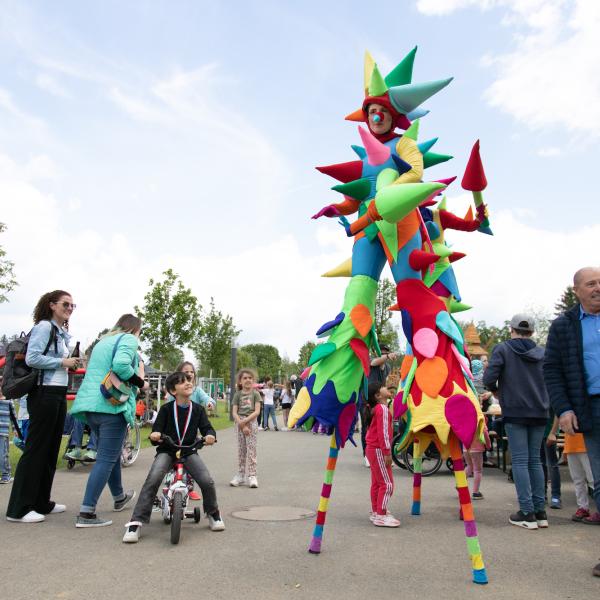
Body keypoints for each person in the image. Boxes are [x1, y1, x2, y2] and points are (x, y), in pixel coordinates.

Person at [543, 266, 600, 577]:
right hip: (590, 408)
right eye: (591, 283)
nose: (598, 288)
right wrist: (563, 408)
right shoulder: (564, 326)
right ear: (577, 290)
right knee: (599, 481)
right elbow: (552, 370)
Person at [122, 371, 224, 543]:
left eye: (189, 380)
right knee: (153, 479)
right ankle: (136, 522)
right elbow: (158, 428)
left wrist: (210, 435)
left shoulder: (198, 410)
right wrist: (155, 434)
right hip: (167, 451)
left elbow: (207, 428)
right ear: (173, 390)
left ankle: (213, 513)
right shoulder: (166, 409)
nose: (188, 383)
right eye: (182, 382)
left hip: (189, 451)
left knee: (207, 480)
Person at [6, 290, 79, 523]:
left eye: (72, 305)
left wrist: (68, 363)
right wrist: (62, 361)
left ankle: (41, 501)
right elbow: (32, 358)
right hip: (43, 392)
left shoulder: (60, 332)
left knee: (51, 448)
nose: (69, 308)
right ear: (51, 305)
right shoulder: (44, 327)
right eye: (65, 304)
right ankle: (18, 508)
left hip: (57, 392)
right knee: (36, 448)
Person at [70, 314, 146, 527]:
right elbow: (121, 365)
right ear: (135, 329)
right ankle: (86, 513)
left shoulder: (103, 342)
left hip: (91, 406)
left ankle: (119, 496)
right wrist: (140, 382)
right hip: (111, 406)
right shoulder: (129, 339)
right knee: (105, 459)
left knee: (108, 454)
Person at [483, 313, 550, 530]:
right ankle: (540, 512)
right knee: (535, 461)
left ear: (511, 330)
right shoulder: (543, 352)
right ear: (531, 332)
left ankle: (527, 512)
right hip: (540, 411)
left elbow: (488, 379)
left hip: (515, 410)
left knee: (520, 461)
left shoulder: (503, 349)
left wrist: (498, 392)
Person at [365, 382, 399, 527]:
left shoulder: (378, 408)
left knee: (377, 483)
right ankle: (381, 514)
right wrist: (387, 452)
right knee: (387, 484)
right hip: (378, 449)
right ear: (378, 395)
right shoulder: (383, 409)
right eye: (383, 387)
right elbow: (383, 432)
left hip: (372, 449)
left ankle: (376, 511)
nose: (387, 388)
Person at [230, 369, 261, 488]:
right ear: (240, 381)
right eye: (245, 378)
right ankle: (240, 475)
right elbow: (234, 412)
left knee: (251, 450)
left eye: (250, 378)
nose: (248, 380)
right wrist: (242, 425)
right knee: (241, 450)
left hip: (251, 421)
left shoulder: (256, 394)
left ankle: (252, 475)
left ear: (253, 380)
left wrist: (246, 422)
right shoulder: (237, 395)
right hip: (239, 422)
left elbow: (257, 411)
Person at [561, 431, 595, 522]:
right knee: (577, 480)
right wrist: (565, 449)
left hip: (588, 445)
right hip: (571, 446)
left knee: (593, 479)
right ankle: (583, 507)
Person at [464, 421, 491, 500]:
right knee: (477, 470)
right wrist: (488, 445)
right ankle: (476, 493)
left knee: (469, 466)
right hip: (477, 448)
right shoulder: (479, 418)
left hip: (466, 447)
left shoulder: (464, 418)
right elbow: (485, 432)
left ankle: (460, 484)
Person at [0, 387, 16, 483]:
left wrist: (15, 429)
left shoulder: (8, 401)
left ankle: (6, 474)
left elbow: (13, 417)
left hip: (3, 432)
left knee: (3, 455)